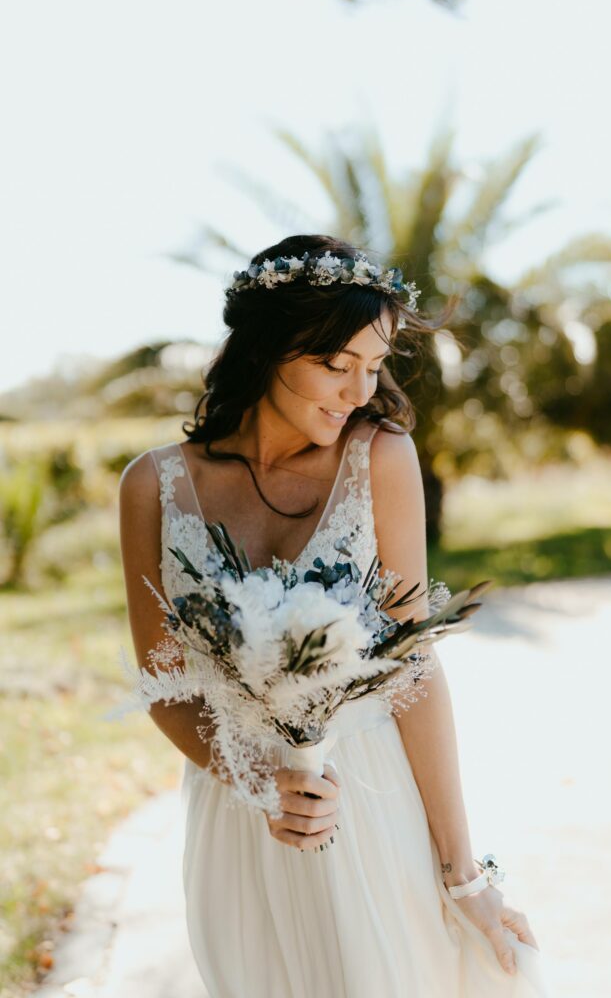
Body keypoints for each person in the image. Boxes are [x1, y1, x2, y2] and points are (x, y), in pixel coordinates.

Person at [118, 235, 549, 997]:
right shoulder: (152, 485)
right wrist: (256, 783)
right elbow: (164, 685)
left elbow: (410, 662)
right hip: (240, 817)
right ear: (268, 348)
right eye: (334, 363)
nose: (358, 390)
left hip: (372, 800)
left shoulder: (379, 456)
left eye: (373, 365)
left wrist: (460, 874)